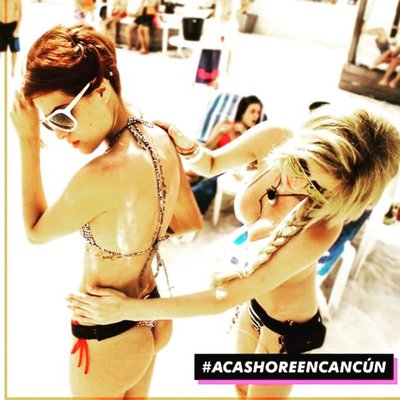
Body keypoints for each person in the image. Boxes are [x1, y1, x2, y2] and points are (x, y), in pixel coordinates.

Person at [66, 104, 400, 398]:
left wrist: (126, 309)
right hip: (252, 306)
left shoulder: (322, 228)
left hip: (288, 331)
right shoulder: (276, 137)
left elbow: (224, 298)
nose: (297, 184)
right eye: (300, 164)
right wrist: (190, 148)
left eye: (317, 187)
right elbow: (212, 163)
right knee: (239, 388)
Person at [10, 23, 202, 398]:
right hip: (151, 310)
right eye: (47, 124)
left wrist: (29, 141)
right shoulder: (159, 135)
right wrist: (135, 241)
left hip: (108, 336)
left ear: (99, 92)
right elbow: (189, 221)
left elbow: (35, 231)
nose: (59, 134)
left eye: (62, 117)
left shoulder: (102, 174)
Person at [190, 95, 263, 215]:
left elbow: (243, 160)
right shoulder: (225, 124)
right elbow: (207, 148)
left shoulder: (252, 134)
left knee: (203, 187)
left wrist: (241, 134)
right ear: (242, 112)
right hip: (211, 160)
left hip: (227, 169)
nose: (256, 116)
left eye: (258, 112)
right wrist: (219, 133)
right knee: (188, 175)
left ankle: (192, 208)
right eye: (252, 111)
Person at [0, 0, 22, 77]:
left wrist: (17, 29)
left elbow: (20, 14)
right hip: (1, 24)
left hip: (13, 25)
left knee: (15, 49)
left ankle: (13, 69)